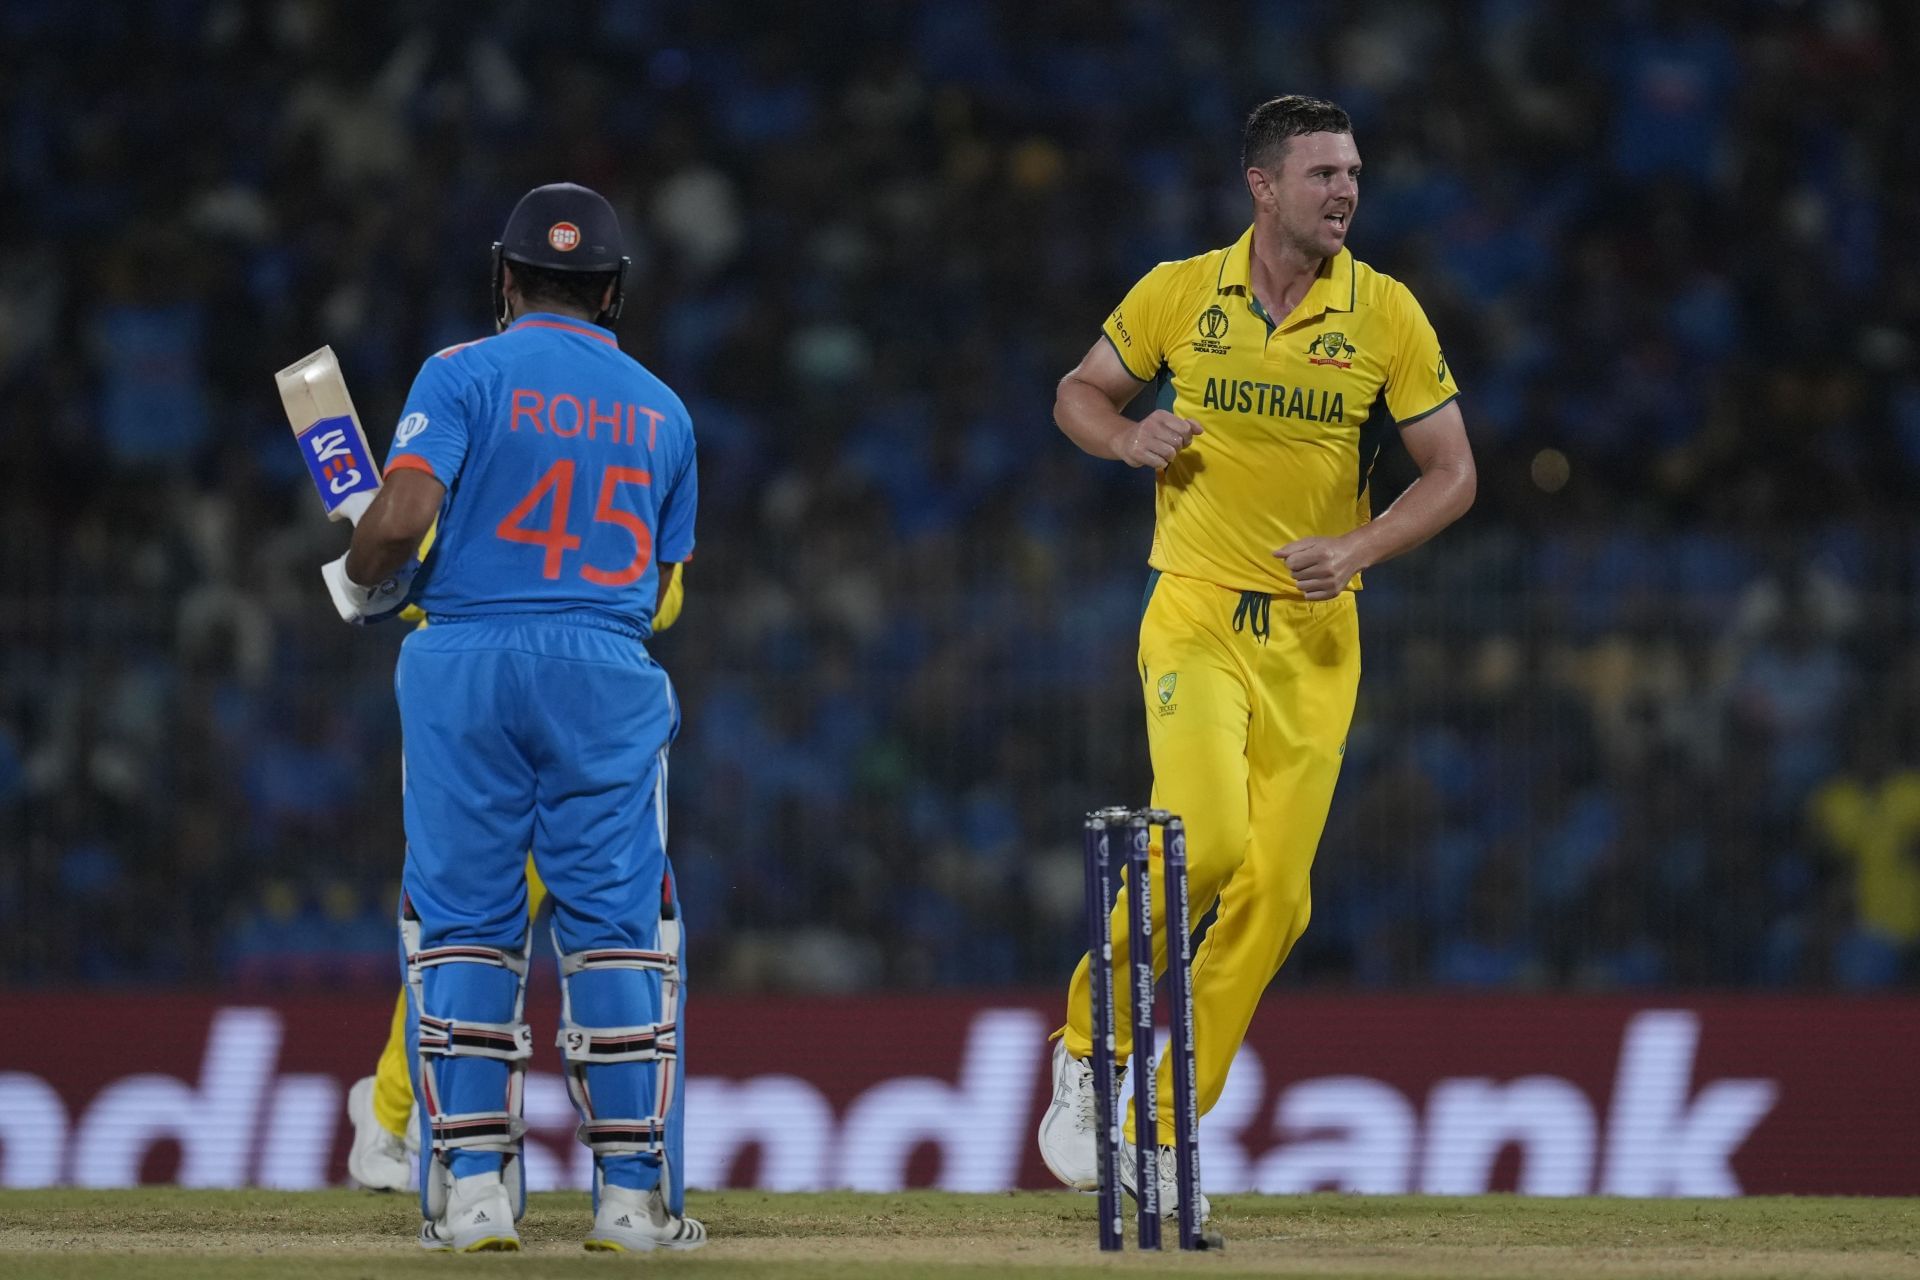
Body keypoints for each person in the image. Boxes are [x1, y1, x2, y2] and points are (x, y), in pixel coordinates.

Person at [1036, 97, 1476, 1217]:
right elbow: (1077, 393)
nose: (1345, 192)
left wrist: (1360, 544)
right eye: (1324, 172)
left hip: (1320, 637)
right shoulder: (1181, 290)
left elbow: (1452, 473)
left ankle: (1162, 1126)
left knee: (1278, 895)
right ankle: (1090, 1046)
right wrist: (1130, 435)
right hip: (1193, 609)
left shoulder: (1386, 314)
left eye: (1355, 173)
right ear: (1263, 185)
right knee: (1210, 841)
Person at [325, 182, 703, 1253]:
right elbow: (665, 587)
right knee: (621, 931)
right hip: (606, 674)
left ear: (504, 277)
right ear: (614, 290)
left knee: (461, 927)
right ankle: (632, 1204)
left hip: (463, 663)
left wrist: (363, 576)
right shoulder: (664, 408)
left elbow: (399, 515)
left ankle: (474, 1193)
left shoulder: (460, 373)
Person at [345, 567, 685, 1193]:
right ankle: (403, 1113)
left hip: (570, 718)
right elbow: (415, 582)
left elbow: (662, 603)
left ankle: (397, 1110)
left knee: (480, 937)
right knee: (468, 935)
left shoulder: (610, 476)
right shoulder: (490, 473)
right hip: (496, 711)